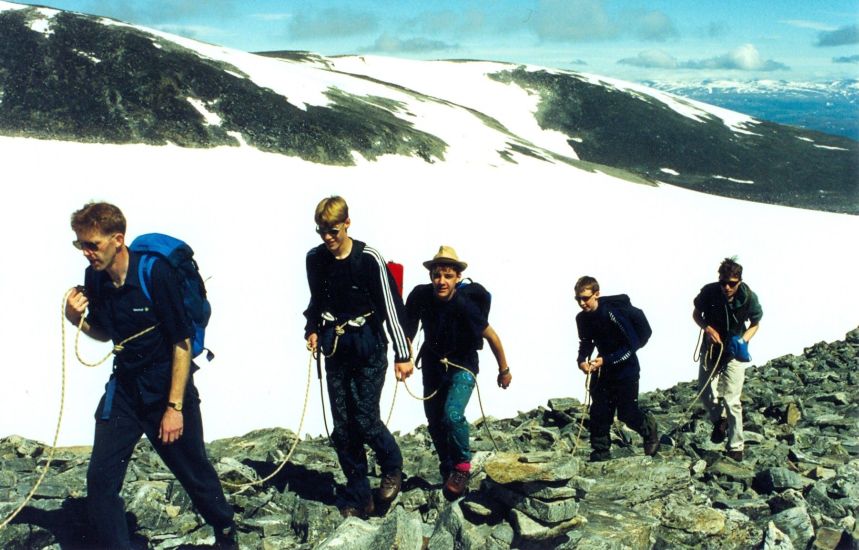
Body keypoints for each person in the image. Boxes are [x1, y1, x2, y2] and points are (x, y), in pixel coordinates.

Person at [64, 202, 237, 549]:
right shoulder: (94, 278)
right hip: (125, 391)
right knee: (101, 480)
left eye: (92, 244)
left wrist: (174, 408)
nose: (86, 253)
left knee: (192, 471)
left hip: (166, 390)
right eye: (80, 244)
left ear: (118, 239)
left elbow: (182, 342)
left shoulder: (156, 274)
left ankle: (225, 530)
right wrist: (75, 319)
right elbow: (108, 333)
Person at [303, 196, 415, 518]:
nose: (327, 237)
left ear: (347, 223)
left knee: (365, 419)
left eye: (333, 230)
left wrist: (403, 354)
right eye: (321, 230)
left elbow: (391, 307)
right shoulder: (315, 260)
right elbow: (316, 300)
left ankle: (392, 465)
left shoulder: (369, 259)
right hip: (335, 348)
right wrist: (312, 328)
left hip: (368, 347)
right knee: (342, 426)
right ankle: (360, 493)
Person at [404, 246, 512, 498]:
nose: (441, 281)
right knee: (434, 420)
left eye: (448, 276)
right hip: (432, 365)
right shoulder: (421, 297)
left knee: (451, 415)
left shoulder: (465, 305)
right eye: (437, 275)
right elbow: (409, 329)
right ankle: (446, 467)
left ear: (457, 278)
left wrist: (503, 370)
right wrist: (405, 356)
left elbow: (492, 336)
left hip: (463, 365)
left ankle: (462, 467)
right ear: (431, 276)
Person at [574, 276, 659, 462]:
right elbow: (586, 342)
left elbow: (631, 346)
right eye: (578, 299)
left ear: (597, 294)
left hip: (626, 370)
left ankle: (649, 429)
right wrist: (582, 360)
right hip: (603, 371)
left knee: (627, 412)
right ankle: (601, 451)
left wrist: (606, 360)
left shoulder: (612, 313)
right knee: (599, 411)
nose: (581, 303)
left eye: (585, 298)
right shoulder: (582, 319)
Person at [692, 257, 762, 462]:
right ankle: (719, 420)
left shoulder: (748, 297)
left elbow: (756, 322)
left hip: (733, 351)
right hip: (712, 349)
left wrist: (743, 340)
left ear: (739, 281)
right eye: (723, 282)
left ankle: (736, 445)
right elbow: (697, 313)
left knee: (732, 400)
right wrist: (708, 328)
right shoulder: (709, 292)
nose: (727, 287)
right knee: (704, 392)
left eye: (732, 283)